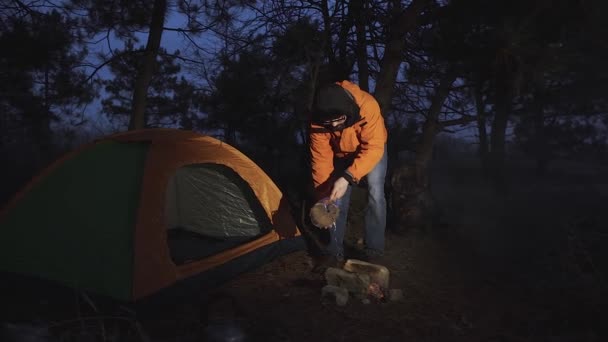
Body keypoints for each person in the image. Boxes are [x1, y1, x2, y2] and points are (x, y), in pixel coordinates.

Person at [309, 80, 388, 262]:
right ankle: (334, 252)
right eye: (330, 123)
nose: (335, 126)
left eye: (339, 120)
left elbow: (374, 147)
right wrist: (324, 197)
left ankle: (374, 250)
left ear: (348, 110)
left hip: (372, 149)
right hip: (342, 153)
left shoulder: (367, 105)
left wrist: (348, 177)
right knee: (335, 198)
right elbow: (320, 160)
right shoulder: (317, 121)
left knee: (376, 193)